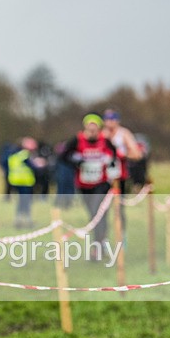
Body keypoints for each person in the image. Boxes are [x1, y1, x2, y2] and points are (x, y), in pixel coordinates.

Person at [59, 113, 117, 260]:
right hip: (84, 185)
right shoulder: (77, 140)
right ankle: (101, 242)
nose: (92, 132)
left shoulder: (105, 141)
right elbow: (62, 156)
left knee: (97, 212)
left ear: (99, 129)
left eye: (94, 129)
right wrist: (76, 162)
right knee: (93, 215)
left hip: (101, 184)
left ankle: (97, 248)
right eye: (89, 129)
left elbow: (114, 155)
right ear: (85, 127)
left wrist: (110, 162)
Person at [101, 109, 142, 194]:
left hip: (121, 173)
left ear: (117, 120)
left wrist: (123, 155)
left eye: (112, 119)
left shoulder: (124, 134)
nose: (109, 122)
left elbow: (137, 155)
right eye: (106, 119)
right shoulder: (101, 134)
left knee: (119, 197)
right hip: (104, 175)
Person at [6, 137, 38, 228]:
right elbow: (34, 167)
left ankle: (19, 220)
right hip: (25, 182)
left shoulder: (13, 154)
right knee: (26, 202)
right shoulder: (25, 155)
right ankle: (27, 221)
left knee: (21, 202)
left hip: (15, 181)